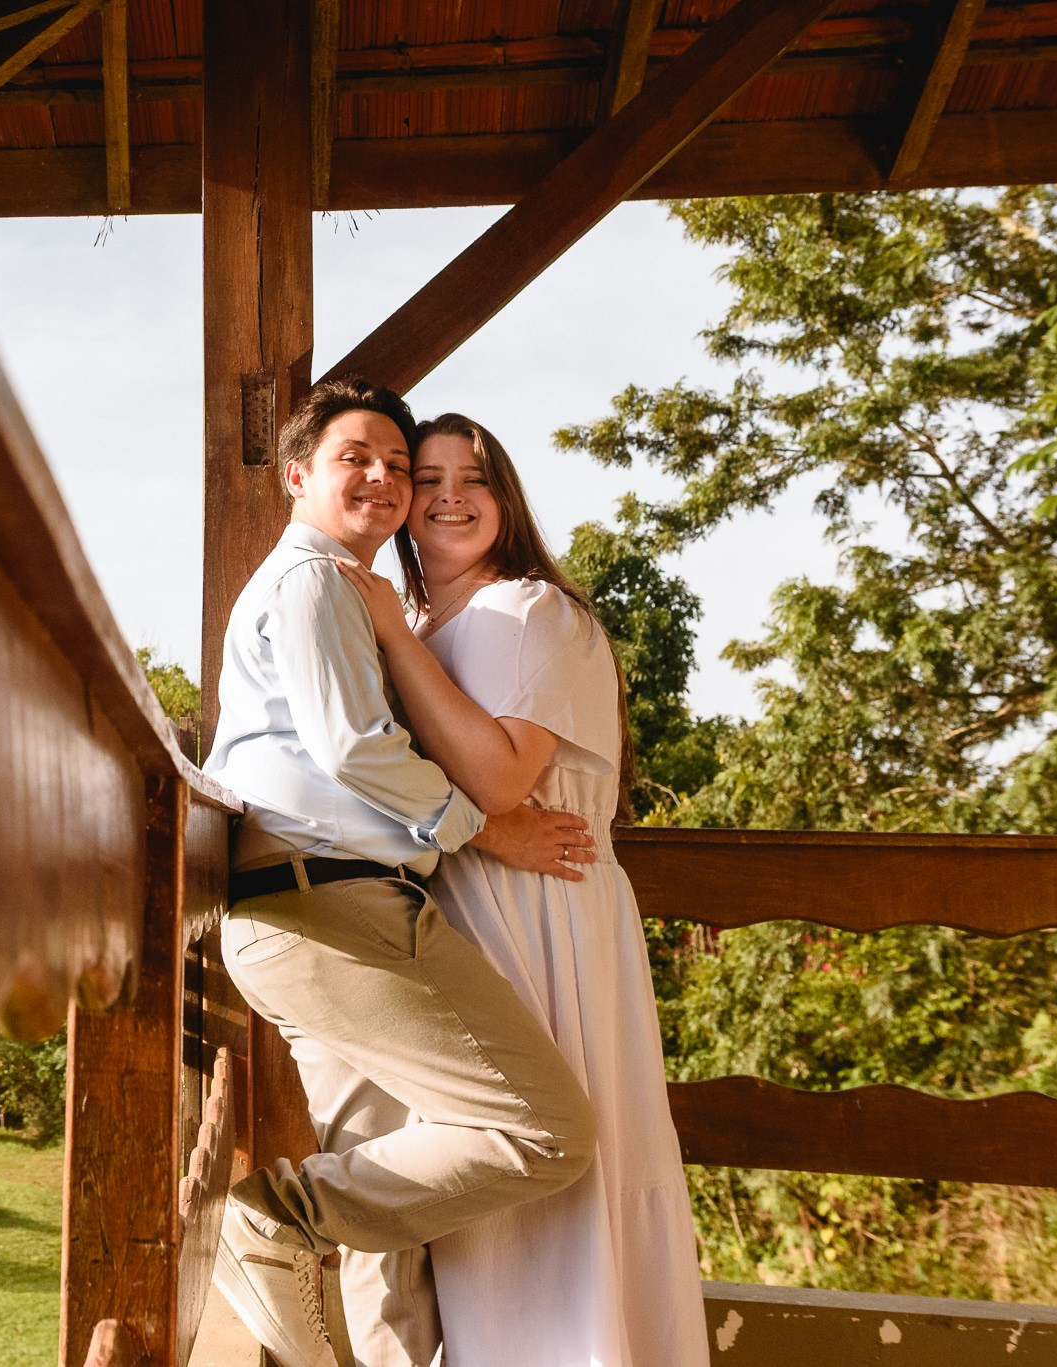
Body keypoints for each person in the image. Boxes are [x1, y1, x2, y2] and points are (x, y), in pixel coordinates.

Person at [203, 377, 601, 1367]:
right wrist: (485, 829)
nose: (382, 478)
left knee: (387, 1205)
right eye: (356, 458)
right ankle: (270, 1216)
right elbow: (350, 748)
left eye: (395, 463)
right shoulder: (313, 581)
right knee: (544, 1131)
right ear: (297, 474)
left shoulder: (340, 590)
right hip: (333, 908)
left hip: (295, 915)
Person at [330, 412, 709, 1367]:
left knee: (561, 1165)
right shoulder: (421, 623)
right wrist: (393, 626)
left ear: (508, 499)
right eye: (430, 476)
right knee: (487, 1173)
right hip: (464, 909)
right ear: (405, 503)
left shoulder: (535, 610)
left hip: (549, 915)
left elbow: (501, 779)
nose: (451, 495)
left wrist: (387, 627)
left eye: (477, 477)